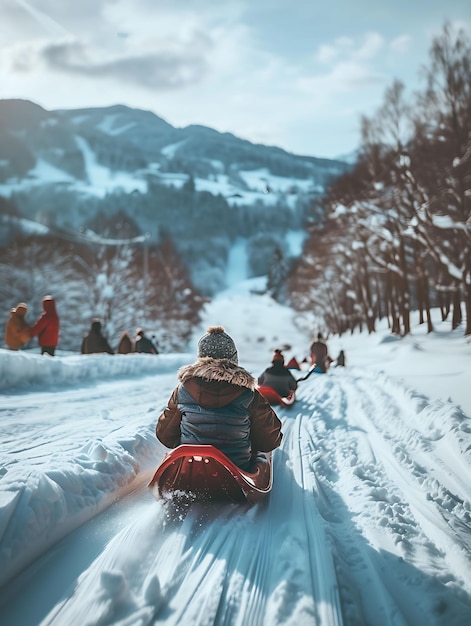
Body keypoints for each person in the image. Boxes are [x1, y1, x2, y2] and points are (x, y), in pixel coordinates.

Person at [156, 325, 282, 471]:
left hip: (190, 467)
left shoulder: (183, 390)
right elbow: (269, 441)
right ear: (233, 358)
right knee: (260, 457)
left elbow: (164, 435)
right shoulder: (249, 395)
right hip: (235, 469)